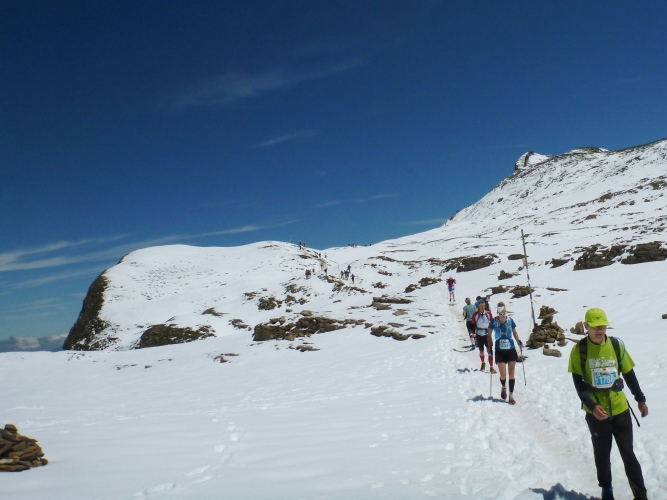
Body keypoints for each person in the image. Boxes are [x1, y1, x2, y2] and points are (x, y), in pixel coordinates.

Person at [568, 308, 648, 500]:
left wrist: (640, 399)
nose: (599, 330)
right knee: (602, 454)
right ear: (586, 326)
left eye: (602, 326)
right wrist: (592, 406)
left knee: (628, 454)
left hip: (620, 409)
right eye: (595, 326)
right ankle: (607, 490)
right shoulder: (579, 350)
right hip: (596, 413)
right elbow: (579, 383)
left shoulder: (616, 345)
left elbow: (629, 374)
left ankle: (641, 495)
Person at [490, 302, 523, 404]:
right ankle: (504, 386)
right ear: (498, 313)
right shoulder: (494, 321)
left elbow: (514, 332)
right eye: (500, 314)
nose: (502, 316)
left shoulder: (510, 320)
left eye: (504, 314)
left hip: (511, 349)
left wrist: (519, 341)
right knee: (503, 375)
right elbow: (489, 334)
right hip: (500, 351)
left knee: (511, 373)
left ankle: (511, 396)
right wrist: (489, 346)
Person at [471, 300, 495, 373]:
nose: (483, 307)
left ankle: (491, 367)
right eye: (481, 306)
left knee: (489, 350)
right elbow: (472, 323)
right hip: (479, 335)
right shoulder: (475, 315)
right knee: (481, 351)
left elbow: (493, 322)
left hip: (487, 335)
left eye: (484, 306)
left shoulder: (488, 313)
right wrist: (473, 332)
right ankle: (483, 363)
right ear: (478, 307)